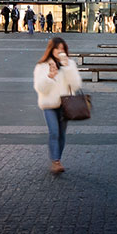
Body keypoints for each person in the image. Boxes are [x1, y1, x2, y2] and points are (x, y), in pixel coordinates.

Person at [33, 37, 83, 174]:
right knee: (54, 131)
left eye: (62, 49)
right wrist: (50, 76)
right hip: (49, 104)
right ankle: (55, 161)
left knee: (61, 134)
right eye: (57, 48)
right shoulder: (42, 65)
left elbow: (76, 85)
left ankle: (58, 159)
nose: (60, 51)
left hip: (65, 104)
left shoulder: (69, 64)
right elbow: (40, 88)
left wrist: (67, 68)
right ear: (51, 49)